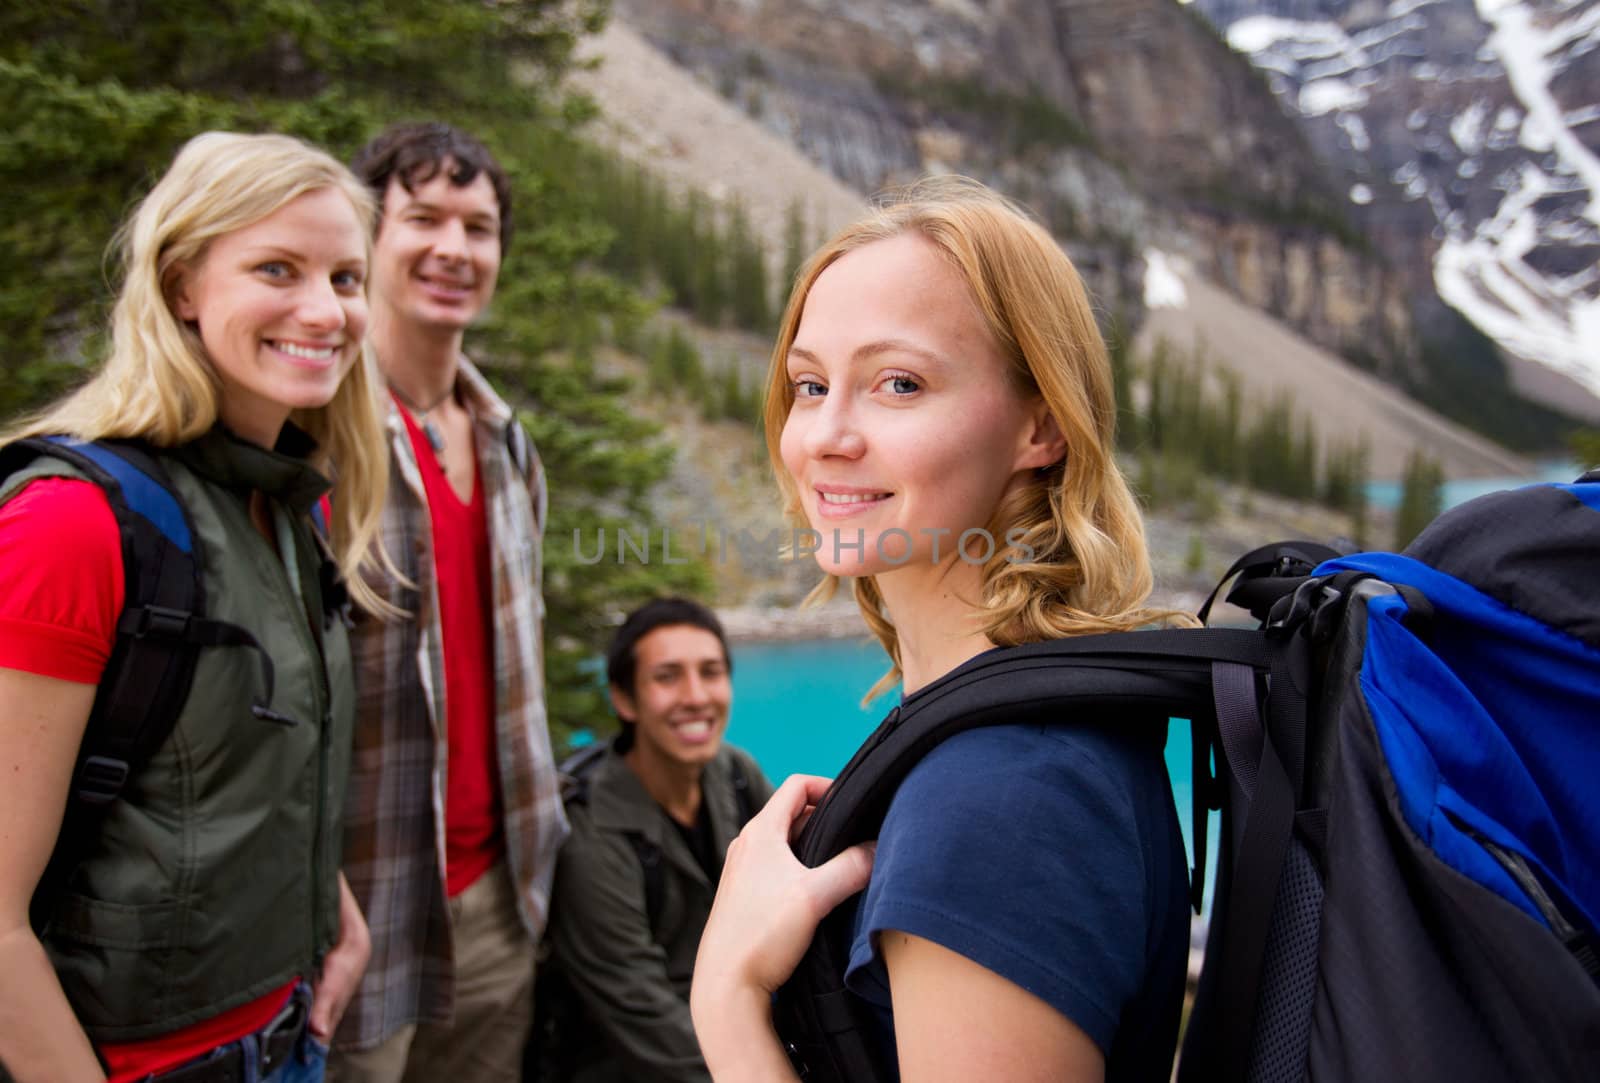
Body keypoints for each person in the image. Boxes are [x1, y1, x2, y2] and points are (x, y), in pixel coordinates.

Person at [689, 177, 1193, 1082]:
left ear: (1040, 423)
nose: (826, 435)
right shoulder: (1017, 725)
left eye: (899, 382)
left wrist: (726, 1001)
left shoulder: (1005, 796)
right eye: (810, 384)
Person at [0, 131, 393, 1083]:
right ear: (181, 286)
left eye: (346, 278)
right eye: (276, 268)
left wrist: (327, 914)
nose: (323, 309)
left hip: (286, 1034)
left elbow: (235, 770)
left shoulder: (289, 505)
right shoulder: (70, 524)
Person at [327, 123, 567, 1083]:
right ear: (368, 238)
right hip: (356, 911)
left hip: (503, 905)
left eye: (479, 226)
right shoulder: (319, 434)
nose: (454, 250)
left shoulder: (509, 444)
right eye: (423, 219)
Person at [543, 598, 774, 1083]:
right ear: (625, 700)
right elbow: (635, 1005)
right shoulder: (592, 831)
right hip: (629, 1063)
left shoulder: (733, 775)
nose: (696, 696)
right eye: (667, 677)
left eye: (710, 672)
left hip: (730, 1032)